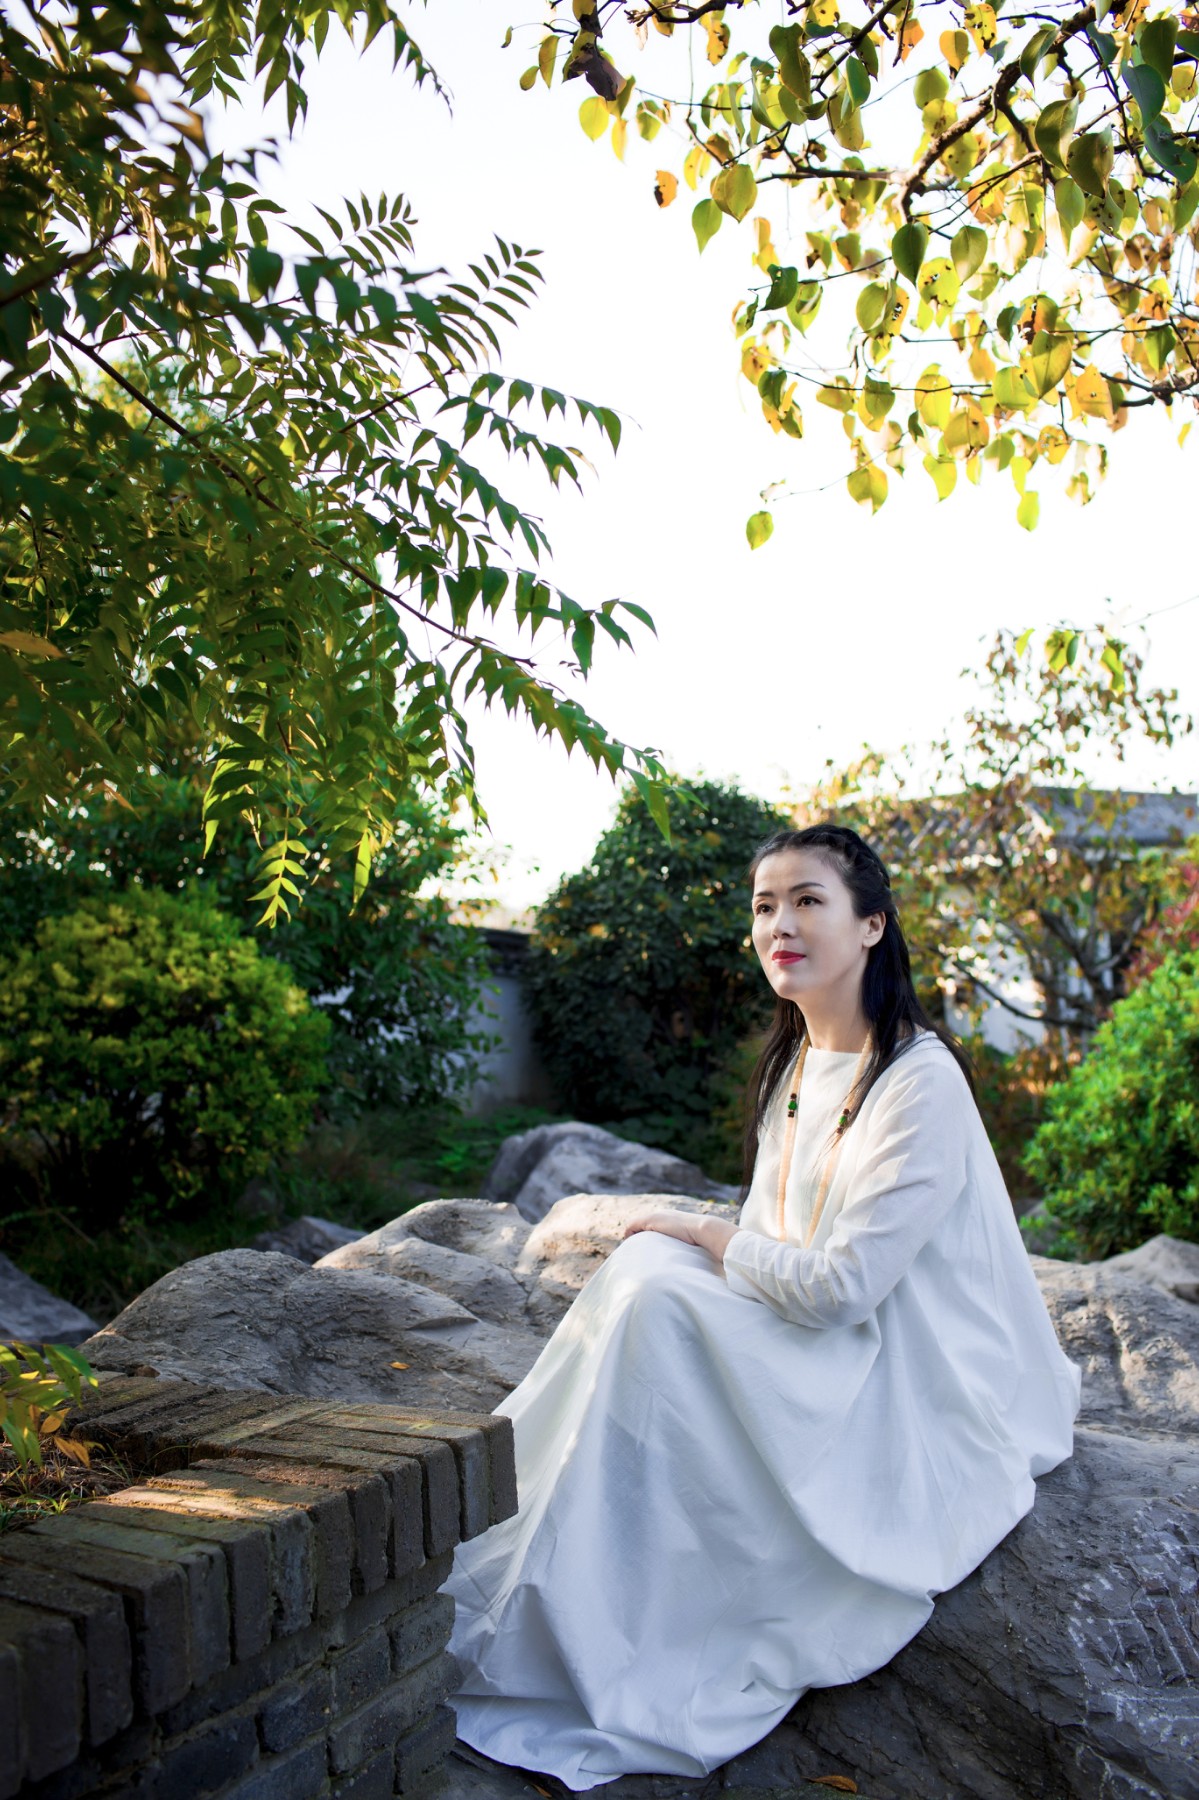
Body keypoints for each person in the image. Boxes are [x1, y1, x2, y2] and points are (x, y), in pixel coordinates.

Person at [444, 823, 1081, 1791]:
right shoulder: (792, 1066)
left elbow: (841, 1288)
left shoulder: (919, 1082)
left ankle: (613, 1617)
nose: (778, 925)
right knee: (643, 1273)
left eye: (807, 901)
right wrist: (693, 1242)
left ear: (870, 925)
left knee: (659, 1292)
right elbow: (773, 1240)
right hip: (818, 1331)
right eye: (763, 905)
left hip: (898, 1375)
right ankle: (549, 1562)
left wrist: (701, 1233)